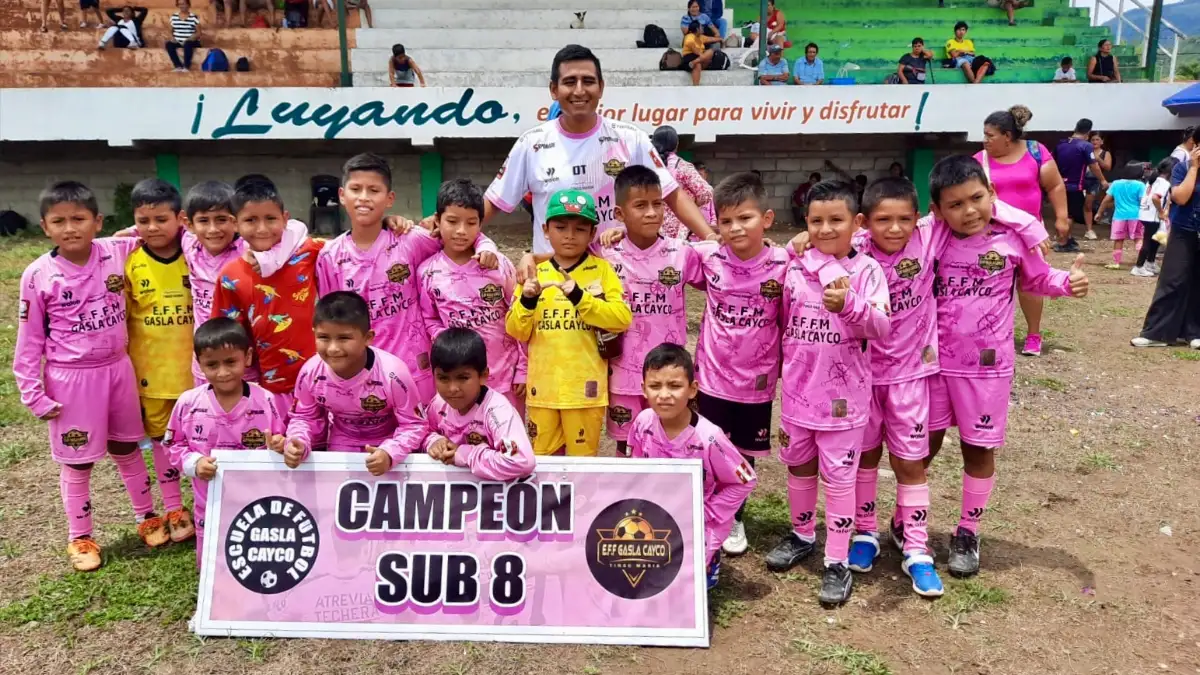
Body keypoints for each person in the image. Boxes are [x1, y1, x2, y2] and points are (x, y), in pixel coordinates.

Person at [926, 155, 1089, 578]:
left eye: (977, 198)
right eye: (955, 204)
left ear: (992, 195)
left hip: (986, 369)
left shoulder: (1012, 240)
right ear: (939, 209)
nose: (969, 211)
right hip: (931, 367)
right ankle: (909, 520)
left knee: (977, 449)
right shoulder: (930, 241)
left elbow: (1036, 280)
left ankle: (967, 530)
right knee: (922, 447)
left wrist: (1067, 283)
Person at [14, 181, 170, 571]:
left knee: (127, 449)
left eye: (79, 219)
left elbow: (157, 228)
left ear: (98, 221)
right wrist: (32, 392)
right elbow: (29, 340)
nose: (71, 228)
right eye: (59, 221)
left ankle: (146, 516)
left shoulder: (115, 251)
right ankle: (80, 537)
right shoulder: (38, 275)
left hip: (118, 370)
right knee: (78, 462)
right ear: (44, 227)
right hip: (72, 380)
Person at [766, 180, 890, 607]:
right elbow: (783, 319)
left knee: (838, 481)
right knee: (799, 469)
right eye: (815, 221)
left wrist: (850, 306)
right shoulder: (795, 264)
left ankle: (836, 561)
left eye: (835, 220)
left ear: (856, 224)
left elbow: (882, 326)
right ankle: (802, 534)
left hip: (844, 402)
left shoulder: (868, 271)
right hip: (798, 396)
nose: (824, 229)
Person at [485, 45, 716, 254]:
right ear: (554, 90)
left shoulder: (630, 139)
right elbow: (494, 201)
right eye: (569, 82)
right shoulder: (531, 144)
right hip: (556, 283)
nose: (579, 90)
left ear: (601, 87)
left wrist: (710, 237)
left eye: (587, 81)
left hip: (618, 279)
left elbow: (671, 193)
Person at [317, 154, 499, 408]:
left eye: (374, 190)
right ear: (341, 194)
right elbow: (331, 321)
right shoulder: (330, 256)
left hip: (417, 369)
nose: (364, 197)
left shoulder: (409, 240)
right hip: (364, 370)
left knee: (423, 438)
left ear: (389, 198)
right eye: (356, 189)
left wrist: (486, 243)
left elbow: (458, 237)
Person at [845, 177, 943, 598]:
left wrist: (1034, 231)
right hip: (861, 377)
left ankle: (917, 549)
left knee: (910, 462)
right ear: (866, 222)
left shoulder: (929, 236)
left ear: (918, 218)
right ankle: (864, 533)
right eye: (884, 219)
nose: (895, 228)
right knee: (865, 458)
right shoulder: (852, 250)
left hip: (910, 377)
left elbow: (986, 208)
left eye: (905, 218)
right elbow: (808, 242)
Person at [688, 173, 790, 557]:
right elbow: (657, 252)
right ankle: (702, 509)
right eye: (726, 221)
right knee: (708, 447)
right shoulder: (707, 257)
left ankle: (734, 516)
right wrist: (613, 236)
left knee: (742, 455)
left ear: (766, 218)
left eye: (744, 218)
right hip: (712, 379)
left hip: (756, 384)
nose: (735, 228)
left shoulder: (785, 263)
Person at [506, 190, 632, 456]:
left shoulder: (602, 270)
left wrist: (579, 296)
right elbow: (516, 330)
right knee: (542, 463)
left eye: (579, 228)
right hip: (543, 391)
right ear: (545, 229)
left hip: (585, 392)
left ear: (592, 232)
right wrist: (528, 301)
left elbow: (620, 319)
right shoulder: (535, 273)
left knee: (582, 467)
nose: (569, 235)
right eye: (560, 227)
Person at [589, 166, 704, 456]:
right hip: (622, 372)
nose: (652, 212)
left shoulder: (682, 253)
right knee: (625, 444)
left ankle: (667, 499)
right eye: (640, 205)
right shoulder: (604, 253)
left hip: (668, 373)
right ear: (619, 213)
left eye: (658, 204)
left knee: (671, 440)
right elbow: (564, 255)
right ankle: (628, 498)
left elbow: (721, 269)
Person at [629, 343, 756, 590]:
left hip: (699, 519)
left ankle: (710, 561)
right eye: (655, 386)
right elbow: (635, 459)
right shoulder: (643, 422)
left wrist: (707, 512)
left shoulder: (710, 438)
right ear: (644, 389)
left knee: (687, 583)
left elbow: (745, 480)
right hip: (655, 514)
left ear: (692, 389)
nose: (664, 394)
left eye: (675, 386)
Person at [164, 318, 287, 567]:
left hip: (258, 503)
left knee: (256, 559)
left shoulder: (265, 401)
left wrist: (279, 446)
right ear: (199, 364)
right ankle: (213, 603)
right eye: (212, 364)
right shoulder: (188, 404)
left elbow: (281, 441)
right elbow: (172, 445)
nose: (222, 372)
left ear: (247, 357)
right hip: (209, 504)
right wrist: (194, 463)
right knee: (213, 564)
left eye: (231, 362)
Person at [277, 292, 428, 474]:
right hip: (341, 444)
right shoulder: (310, 373)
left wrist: (390, 453)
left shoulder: (394, 374)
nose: (333, 348)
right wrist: (298, 442)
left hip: (388, 444)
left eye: (344, 338)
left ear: (368, 338)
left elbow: (414, 424)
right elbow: (304, 417)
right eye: (324, 337)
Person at [123, 179, 197, 546]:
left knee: (203, 440)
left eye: (161, 219)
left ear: (180, 218)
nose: (152, 227)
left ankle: (205, 504)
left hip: (197, 373)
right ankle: (173, 508)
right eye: (143, 220)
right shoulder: (128, 259)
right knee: (162, 443)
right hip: (151, 374)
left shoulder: (197, 252)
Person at [211, 180, 324, 414]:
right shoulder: (230, 276)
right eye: (251, 220)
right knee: (278, 447)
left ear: (285, 218)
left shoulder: (309, 253)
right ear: (235, 223)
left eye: (270, 219)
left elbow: (354, 244)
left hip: (323, 379)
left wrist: (388, 222)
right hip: (271, 388)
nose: (262, 228)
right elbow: (227, 336)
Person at [418, 179, 526, 416]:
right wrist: (449, 340)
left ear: (480, 224)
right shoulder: (427, 272)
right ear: (437, 220)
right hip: (459, 382)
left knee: (506, 442)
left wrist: (523, 369)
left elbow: (520, 314)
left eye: (471, 223)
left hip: (504, 378)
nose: (461, 231)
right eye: (452, 221)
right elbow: (429, 318)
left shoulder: (497, 266)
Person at [180, 180, 304, 385]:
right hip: (205, 361)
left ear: (235, 221)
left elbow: (296, 228)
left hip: (243, 362)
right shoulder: (190, 244)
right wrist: (131, 233)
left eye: (221, 220)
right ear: (190, 224)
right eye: (204, 221)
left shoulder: (246, 249)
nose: (213, 229)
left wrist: (270, 259)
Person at [975, 105, 1068, 357]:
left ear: (1007, 135)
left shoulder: (1035, 151)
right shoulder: (979, 161)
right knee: (991, 286)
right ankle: (991, 332)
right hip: (992, 237)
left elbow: (1055, 185)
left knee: (1031, 285)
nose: (985, 140)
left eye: (990, 135)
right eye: (984, 134)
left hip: (1030, 235)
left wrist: (1061, 217)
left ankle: (1033, 334)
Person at [423, 328, 536, 480]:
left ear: (483, 376)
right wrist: (433, 441)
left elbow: (520, 460)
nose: (453, 389)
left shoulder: (497, 411)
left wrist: (466, 455)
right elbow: (422, 432)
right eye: (443, 378)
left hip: (492, 498)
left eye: (463, 378)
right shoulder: (438, 404)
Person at [1131, 140, 1200, 349]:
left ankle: (1194, 332)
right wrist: (1195, 168)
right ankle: (1156, 332)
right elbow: (1180, 197)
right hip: (1183, 231)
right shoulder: (1182, 168)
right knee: (1173, 278)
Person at [1054, 118, 1108, 252]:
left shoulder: (1062, 144)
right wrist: (1102, 180)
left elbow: (1051, 162)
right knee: (1070, 215)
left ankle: (1066, 238)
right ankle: (1063, 242)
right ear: (1088, 132)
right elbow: (1094, 165)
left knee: (1062, 213)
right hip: (1074, 185)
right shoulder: (1085, 145)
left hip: (1059, 185)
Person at [651, 125, 714, 239]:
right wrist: (691, 203)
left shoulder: (647, 166)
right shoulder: (682, 166)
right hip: (680, 229)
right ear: (676, 144)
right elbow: (706, 192)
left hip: (652, 226)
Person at [1098, 162, 1150, 270]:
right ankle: (1142, 262)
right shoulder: (1140, 185)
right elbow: (1142, 201)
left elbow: (1106, 200)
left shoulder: (1116, 184)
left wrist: (1099, 213)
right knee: (1138, 238)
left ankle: (1116, 262)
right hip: (1136, 216)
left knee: (1118, 240)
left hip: (1119, 216)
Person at [1132, 158, 1175, 277]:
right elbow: (1156, 197)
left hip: (1144, 213)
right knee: (1148, 241)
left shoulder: (1153, 179)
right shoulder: (1164, 183)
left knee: (1155, 239)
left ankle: (1150, 262)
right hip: (1152, 215)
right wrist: (1161, 212)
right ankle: (1138, 266)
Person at [1083, 131, 1113, 240]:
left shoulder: (1105, 153)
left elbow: (1108, 167)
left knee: (1089, 204)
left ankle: (1090, 228)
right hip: (1083, 179)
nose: (1095, 142)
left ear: (1102, 142)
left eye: (1097, 140)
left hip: (1096, 180)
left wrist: (1096, 157)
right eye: (1093, 140)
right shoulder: (1085, 150)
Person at [166, 0, 202, 72]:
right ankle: (178, 66)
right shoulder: (174, 17)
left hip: (190, 41)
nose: (182, 6)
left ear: (188, 5)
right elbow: (170, 31)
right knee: (168, 44)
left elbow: (199, 33)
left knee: (187, 44)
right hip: (178, 41)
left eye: (184, 4)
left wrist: (191, 38)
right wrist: (172, 38)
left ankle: (186, 67)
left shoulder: (193, 17)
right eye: (180, 4)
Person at [681, 21, 720, 86]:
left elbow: (712, 39)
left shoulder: (701, 37)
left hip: (698, 59)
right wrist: (700, 54)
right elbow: (690, 44)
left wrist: (721, 40)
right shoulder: (689, 36)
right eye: (701, 27)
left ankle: (694, 62)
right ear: (697, 29)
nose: (702, 28)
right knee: (697, 65)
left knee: (710, 51)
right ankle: (696, 87)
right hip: (689, 57)